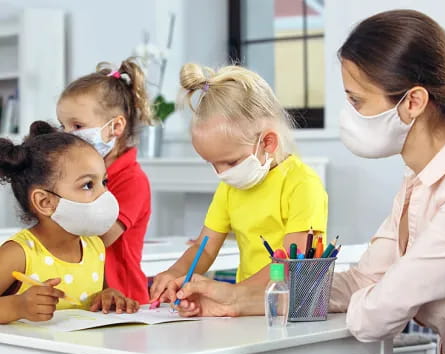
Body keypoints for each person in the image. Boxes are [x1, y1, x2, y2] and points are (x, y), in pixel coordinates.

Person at [165, 10, 445, 354]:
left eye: (356, 100)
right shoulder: (419, 181)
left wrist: (374, 296)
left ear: (413, 102)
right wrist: (235, 298)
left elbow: (379, 314)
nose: (348, 115)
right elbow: (363, 282)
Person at [149, 63, 328, 305]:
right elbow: (205, 249)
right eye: (213, 164)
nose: (221, 174)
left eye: (230, 162)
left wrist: (231, 296)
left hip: (291, 308)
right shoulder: (230, 187)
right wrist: (174, 272)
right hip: (246, 308)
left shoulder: (302, 184)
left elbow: (290, 266)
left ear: (268, 142)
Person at [0, 121, 139, 323]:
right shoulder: (19, 253)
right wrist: (18, 306)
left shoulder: (94, 247)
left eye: (104, 182)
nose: (105, 194)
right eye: (88, 185)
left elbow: (90, 301)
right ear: (45, 202)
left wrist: (107, 297)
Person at [57, 58, 152, 304]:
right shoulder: (75, 173)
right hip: (87, 295)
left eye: (77, 125)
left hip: (123, 299)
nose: (67, 135)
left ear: (116, 126)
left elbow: (98, 238)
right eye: (62, 126)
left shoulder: (132, 181)